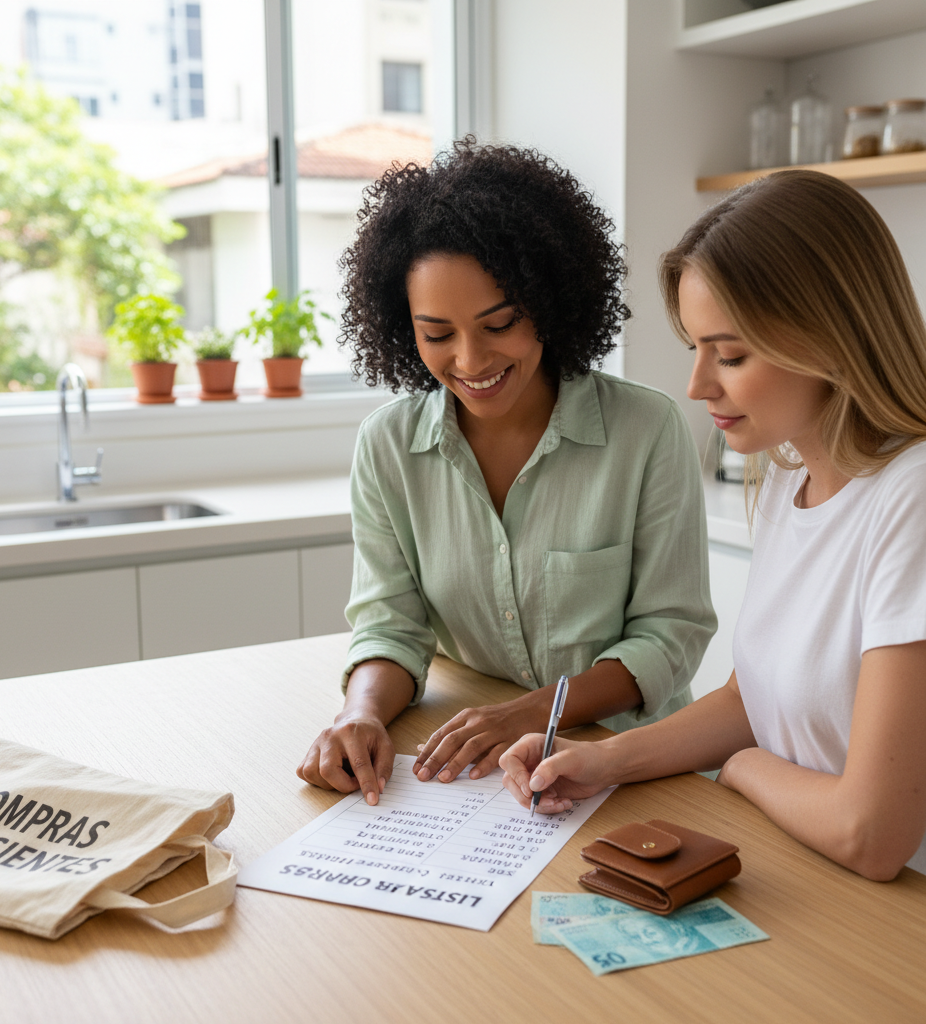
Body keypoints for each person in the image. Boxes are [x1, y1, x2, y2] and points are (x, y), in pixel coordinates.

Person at [500, 169, 926, 880]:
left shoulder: (910, 497)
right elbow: (754, 697)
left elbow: (871, 834)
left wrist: (744, 768)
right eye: (696, 349)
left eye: (729, 355)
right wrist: (604, 759)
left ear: (830, 338)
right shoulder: (792, 471)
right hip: (806, 871)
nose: (698, 385)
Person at [297, 139, 716, 806]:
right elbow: (391, 624)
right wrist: (362, 714)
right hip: (482, 776)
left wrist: (528, 714)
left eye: (500, 323)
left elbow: (670, 638)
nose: (470, 359)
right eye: (437, 334)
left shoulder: (645, 432)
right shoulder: (388, 447)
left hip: (632, 764)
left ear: (549, 303)